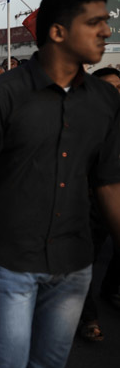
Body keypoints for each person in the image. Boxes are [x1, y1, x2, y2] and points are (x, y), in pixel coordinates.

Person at [0, 0, 120, 368]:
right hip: (9, 261)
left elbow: (109, 183)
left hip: (74, 264)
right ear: (58, 32)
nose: (106, 32)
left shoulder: (105, 101)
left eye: (106, 22)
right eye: (95, 22)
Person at [77, 66, 120, 342]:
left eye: (118, 87)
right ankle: (88, 316)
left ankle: (109, 290)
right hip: (85, 204)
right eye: (107, 87)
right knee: (85, 262)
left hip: (114, 202)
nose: (114, 93)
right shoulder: (80, 122)